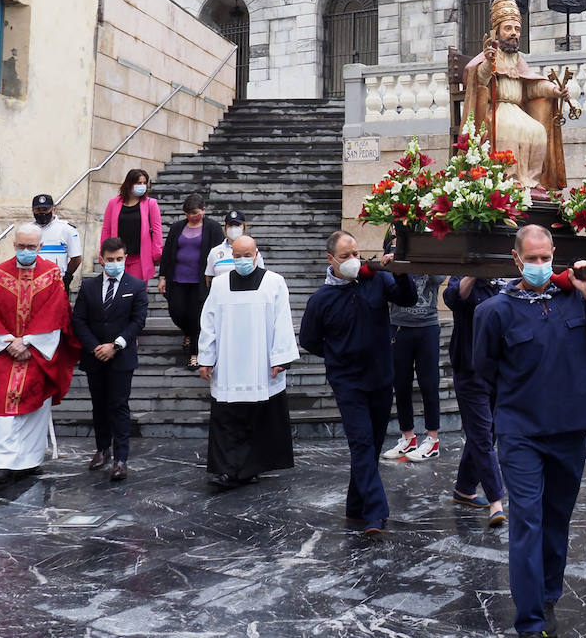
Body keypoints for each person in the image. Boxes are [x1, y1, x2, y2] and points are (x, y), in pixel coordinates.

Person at [473, 224, 586, 637]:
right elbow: (483, 372)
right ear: (516, 259)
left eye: (545, 257)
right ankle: (530, 619)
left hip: (569, 429)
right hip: (521, 432)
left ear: (554, 254)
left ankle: (548, 597)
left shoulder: (576, 298)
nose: (539, 264)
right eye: (531, 258)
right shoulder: (494, 311)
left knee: (557, 518)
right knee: (527, 521)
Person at [299, 230, 419, 535]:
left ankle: (355, 505)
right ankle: (376, 513)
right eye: (345, 256)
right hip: (347, 382)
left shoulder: (376, 281)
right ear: (331, 260)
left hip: (380, 377)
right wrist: (338, 354)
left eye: (356, 253)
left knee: (373, 444)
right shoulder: (321, 300)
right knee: (362, 442)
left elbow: (407, 298)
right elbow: (310, 340)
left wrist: (400, 272)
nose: (353, 259)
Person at [0, 223, 81, 484]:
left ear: (40, 247)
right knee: (0, 413)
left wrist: (30, 343)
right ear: (14, 245)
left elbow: (55, 314)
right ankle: (0, 464)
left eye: (31, 247)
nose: (25, 251)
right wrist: (9, 343)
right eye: (21, 246)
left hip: (36, 354)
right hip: (3, 352)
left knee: (34, 410)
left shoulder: (52, 276)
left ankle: (28, 461)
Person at [197, 234, 298, 488]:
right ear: (232, 256)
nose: (242, 260)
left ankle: (252, 467)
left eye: (247, 255)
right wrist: (206, 358)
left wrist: (280, 358)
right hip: (228, 364)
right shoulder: (220, 284)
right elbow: (208, 323)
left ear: (256, 255)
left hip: (260, 363)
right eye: (237, 256)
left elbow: (283, 321)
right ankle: (227, 469)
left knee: (259, 416)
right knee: (227, 418)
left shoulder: (274, 282)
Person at [462, 0, 566, 190]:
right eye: (508, 28)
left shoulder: (518, 59)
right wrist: (489, 62)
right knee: (510, 128)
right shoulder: (489, 56)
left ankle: (532, 182)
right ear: (496, 32)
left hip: (517, 110)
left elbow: (533, 87)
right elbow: (479, 80)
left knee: (537, 130)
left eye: (517, 29)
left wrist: (555, 91)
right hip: (495, 110)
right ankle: (508, 178)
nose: (514, 33)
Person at [72, 237, 148, 480]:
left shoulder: (136, 286)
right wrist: (95, 347)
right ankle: (102, 449)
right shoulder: (89, 286)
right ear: (101, 259)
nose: (115, 263)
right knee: (99, 405)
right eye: (110, 259)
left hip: (121, 356)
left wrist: (115, 345)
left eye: (119, 259)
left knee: (119, 405)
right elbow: (79, 320)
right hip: (94, 356)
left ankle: (120, 459)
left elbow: (138, 321)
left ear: (125, 258)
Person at [442, 276, 507, 526]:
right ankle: (496, 501)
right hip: (470, 371)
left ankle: (464, 488)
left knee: (489, 433)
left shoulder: (504, 283)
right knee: (481, 435)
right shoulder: (463, 280)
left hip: (498, 370)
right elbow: (453, 298)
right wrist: (473, 272)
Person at [381, 231, 445, 463]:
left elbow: (439, 278)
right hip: (399, 327)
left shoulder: (429, 259)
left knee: (429, 384)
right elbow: (386, 286)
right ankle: (407, 437)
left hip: (427, 327)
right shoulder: (392, 260)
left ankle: (433, 439)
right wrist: (392, 261)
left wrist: (423, 253)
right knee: (401, 383)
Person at [158, 193, 225, 369]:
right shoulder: (177, 227)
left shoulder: (213, 228)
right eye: (188, 213)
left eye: (195, 213)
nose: (191, 217)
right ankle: (187, 332)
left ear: (204, 210)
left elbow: (220, 253)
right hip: (178, 278)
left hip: (201, 281)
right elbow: (168, 252)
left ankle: (195, 353)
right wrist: (162, 277)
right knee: (177, 311)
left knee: (197, 316)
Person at [100, 168, 164, 285]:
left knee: (136, 289)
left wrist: (157, 252)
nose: (142, 186)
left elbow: (157, 229)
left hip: (139, 257)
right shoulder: (113, 203)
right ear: (129, 184)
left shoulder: (150, 204)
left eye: (144, 183)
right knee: (116, 288)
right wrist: (102, 252)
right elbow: (106, 229)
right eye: (139, 183)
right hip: (117, 256)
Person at [31, 194, 82, 296]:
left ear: (53, 209)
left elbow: (76, 258)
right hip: (33, 282)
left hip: (56, 282)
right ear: (33, 211)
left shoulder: (67, 229)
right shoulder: (28, 229)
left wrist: (66, 277)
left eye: (45, 209)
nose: (42, 213)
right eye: (38, 210)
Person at [205, 210, 264, 281]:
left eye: (237, 225)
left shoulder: (253, 251)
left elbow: (261, 275)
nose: (233, 228)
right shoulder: (215, 252)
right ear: (225, 228)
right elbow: (209, 277)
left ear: (244, 228)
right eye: (230, 225)